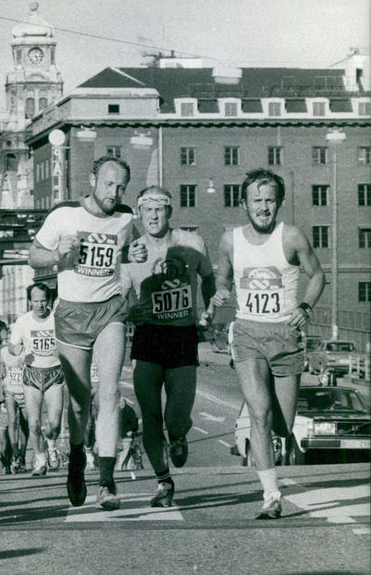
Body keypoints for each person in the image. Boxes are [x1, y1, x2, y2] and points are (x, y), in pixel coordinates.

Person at [28, 155, 146, 509]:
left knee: (109, 393)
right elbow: (33, 255)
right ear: (94, 180)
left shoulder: (126, 218)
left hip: (110, 310)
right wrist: (54, 255)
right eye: (109, 184)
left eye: (121, 186)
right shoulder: (64, 214)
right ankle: (77, 458)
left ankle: (107, 482)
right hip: (71, 315)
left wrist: (134, 253)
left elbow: (129, 250)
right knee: (80, 404)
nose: (114, 192)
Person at [211, 168, 324, 519]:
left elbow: (318, 275)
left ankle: (274, 436)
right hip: (247, 334)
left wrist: (305, 307)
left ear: (280, 203)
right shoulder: (231, 240)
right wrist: (222, 290)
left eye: (269, 200)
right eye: (256, 200)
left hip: (286, 336)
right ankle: (271, 494)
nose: (263, 207)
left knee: (282, 424)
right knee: (259, 413)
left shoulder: (291, 237)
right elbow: (222, 274)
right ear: (244, 204)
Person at [121, 186, 216, 507]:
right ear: (139, 213)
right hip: (147, 338)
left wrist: (209, 309)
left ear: (170, 212)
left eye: (160, 209)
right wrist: (128, 311)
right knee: (150, 417)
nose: (153, 215)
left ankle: (178, 434)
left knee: (175, 417)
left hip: (181, 337)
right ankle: (163, 481)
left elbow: (209, 278)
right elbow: (119, 296)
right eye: (147, 209)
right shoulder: (131, 252)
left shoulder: (192, 243)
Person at [8, 283, 64, 476]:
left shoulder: (57, 319)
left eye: (43, 301)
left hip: (54, 373)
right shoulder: (23, 321)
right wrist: (17, 350)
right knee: (33, 423)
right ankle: (39, 461)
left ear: (49, 301)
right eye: (36, 301)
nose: (40, 305)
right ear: (30, 301)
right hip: (32, 374)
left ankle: (51, 444)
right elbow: (12, 345)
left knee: (54, 423)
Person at [0, 343, 28, 473]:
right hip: (10, 391)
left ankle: (22, 453)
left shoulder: (27, 351)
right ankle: (15, 452)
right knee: (12, 420)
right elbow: (1, 368)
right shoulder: (3, 351)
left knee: (25, 423)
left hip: (25, 392)